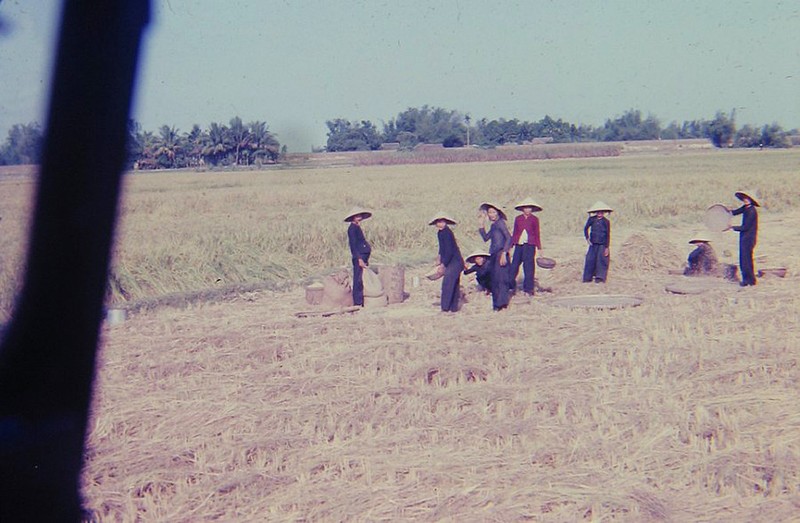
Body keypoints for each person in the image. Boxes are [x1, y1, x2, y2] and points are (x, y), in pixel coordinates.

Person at [478, 202, 512, 310]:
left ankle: (502, 304)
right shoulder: (494, 225)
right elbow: (486, 238)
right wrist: (481, 224)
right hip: (493, 254)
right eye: (489, 213)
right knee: (494, 279)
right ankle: (497, 304)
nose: (491, 215)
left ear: (498, 213)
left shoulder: (501, 223)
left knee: (501, 279)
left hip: (500, 253)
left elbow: (509, 238)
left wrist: (504, 253)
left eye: (493, 212)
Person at [430, 212, 464, 312]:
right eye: (438, 222)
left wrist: (443, 265)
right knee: (452, 284)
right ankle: (453, 308)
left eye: (441, 222)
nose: (440, 224)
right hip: (451, 261)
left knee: (448, 284)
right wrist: (439, 257)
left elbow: (449, 251)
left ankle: (446, 308)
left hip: (455, 261)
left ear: (445, 222)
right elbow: (442, 248)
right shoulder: (440, 233)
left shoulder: (447, 233)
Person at [509, 197, 543, 296]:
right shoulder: (518, 219)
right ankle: (510, 286)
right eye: (526, 208)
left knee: (528, 267)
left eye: (530, 208)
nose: (528, 210)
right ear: (522, 209)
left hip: (530, 245)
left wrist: (539, 247)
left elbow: (537, 233)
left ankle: (528, 289)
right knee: (514, 266)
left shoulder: (534, 219)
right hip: (519, 245)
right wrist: (511, 245)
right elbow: (515, 233)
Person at [729, 190, 759, 286]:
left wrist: (732, 227)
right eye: (744, 199)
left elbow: (745, 227)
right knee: (744, 259)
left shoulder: (751, 211)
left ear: (751, 200)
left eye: (747, 199)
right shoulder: (746, 208)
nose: (745, 200)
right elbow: (735, 212)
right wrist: (727, 211)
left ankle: (749, 280)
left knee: (746, 259)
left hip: (749, 237)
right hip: (744, 237)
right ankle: (748, 279)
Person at [345, 207, 372, 306]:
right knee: (358, 278)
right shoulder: (352, 229)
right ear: (353, 218)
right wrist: (359, 259)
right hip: (359, 256)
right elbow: (353, 246)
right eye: (357, 216)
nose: (359, 218)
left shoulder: (357, 227)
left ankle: (361, 299)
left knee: (362, 277)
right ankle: (357, 301)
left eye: (360, 216)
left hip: (363, 255)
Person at [582, 201, 612, 283]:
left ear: (604, 213)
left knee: (601, 261)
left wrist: (607, 247)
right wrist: (587, 238)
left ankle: (600, 278)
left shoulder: (606, 222)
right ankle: (587, 278)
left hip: (602, 244)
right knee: (590, 260)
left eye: (602, 212)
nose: (600, 213)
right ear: (596, 212)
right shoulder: (592, 219)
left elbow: (608, 234)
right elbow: (585, 228)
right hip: (593, 244)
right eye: (598, 212)